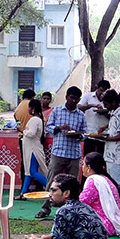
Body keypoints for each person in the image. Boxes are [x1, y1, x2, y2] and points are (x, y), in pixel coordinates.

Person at [14, 174, 109, 239]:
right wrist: (50, 237)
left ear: (66, 193)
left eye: (54, 190)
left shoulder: (63, 211)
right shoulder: (85, 207)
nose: (50, 194)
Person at [37, 86, 86, 218]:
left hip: (74, 153)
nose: (74, 101)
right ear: (66, 97)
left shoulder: (81, 115)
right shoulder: (57, 111)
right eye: (72, 98)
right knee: (51, 182)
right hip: (58, 152)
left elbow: (84, 133)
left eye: (77, 99)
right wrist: (59, 128)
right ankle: (45, 208)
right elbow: (49, 127)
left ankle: (71, 211)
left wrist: (79, 136)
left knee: (73, 185)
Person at [78, 152, 120, 238]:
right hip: (114, 224)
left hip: (102, 225)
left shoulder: (94, 181)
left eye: (83, 164)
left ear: (88, 167)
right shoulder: (106, 179)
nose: (82, 167)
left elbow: (80, 203)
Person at [97, 88, 120, 185]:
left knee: (116, 183)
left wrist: (105, 138)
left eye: (107, 104)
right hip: (111, 154)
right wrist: (105, 127)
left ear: (114, 102)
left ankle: (119, 200)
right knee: (111, 182)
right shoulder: (115, 113)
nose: (106, 107)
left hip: (116, 154)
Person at [17, 97, 49, 198]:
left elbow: (31, 133)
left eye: (29, 108)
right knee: (28, 172)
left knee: (33, 172)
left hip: (32, 149)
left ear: (33, 108)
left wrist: (22, 130)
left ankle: (51, 188)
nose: (28, 110)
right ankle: (23, 194)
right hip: (32, 147)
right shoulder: (39, 119)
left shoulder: (34, 120)